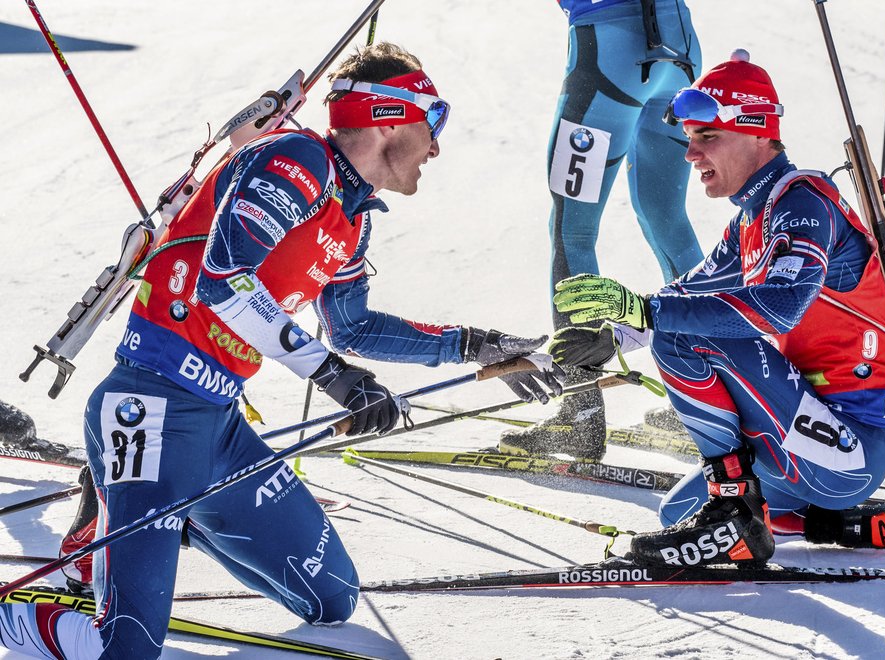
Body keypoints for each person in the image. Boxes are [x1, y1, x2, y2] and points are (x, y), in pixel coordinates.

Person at [0, 42, 562, 659]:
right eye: (434, 124)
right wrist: (335, 378)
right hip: (150, 412)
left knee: (333, 599)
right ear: (388, 118)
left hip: (219, 431)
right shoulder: (295, 161)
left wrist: (478, 347)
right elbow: (221, 279)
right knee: (126, 650)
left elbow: (352, 328)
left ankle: (159, 518)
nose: (437, 146)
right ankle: (16, 613)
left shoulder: (353, 216)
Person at [548, 50, 885, 567]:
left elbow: (778, 308)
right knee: (675, 512)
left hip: (850, 449)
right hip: (807, 441)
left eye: (707, 137)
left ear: (757, 131)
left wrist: (647, 315)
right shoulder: (751, 219)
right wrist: (613, 336)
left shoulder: (802, 201)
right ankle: (822, 521)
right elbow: (685, 295)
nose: (690, 153)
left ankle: (737, 513)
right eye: (688, 138)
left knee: (680, 334)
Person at [498, 0, 704, 461]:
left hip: (610, 50)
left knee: (573, 231)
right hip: (680, 46)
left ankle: (581, 414)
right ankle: (704, 404)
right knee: (668, 220)